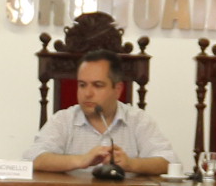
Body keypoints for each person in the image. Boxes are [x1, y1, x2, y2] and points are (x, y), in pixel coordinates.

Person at [28, 52, 172, 176]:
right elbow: (33, 159)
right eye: (82, 85)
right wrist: (81, 160)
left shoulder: (138, 120)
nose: (87, 93)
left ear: (117, 89)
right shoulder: (63, 120)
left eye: (97, 85)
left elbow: (169, 162)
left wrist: (130, 164)